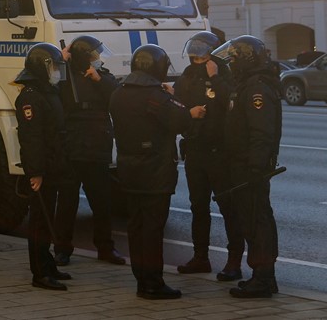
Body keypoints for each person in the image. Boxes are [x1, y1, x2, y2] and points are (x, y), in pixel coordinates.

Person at [109, 44, 205, 300]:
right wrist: (191, 111)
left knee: (136, 226)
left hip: (128, 168)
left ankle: (141, 279)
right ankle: (153, 283)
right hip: (154, 170)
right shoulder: (155, 96)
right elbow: (179, 120)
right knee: (152, 229)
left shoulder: (119, 93)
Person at [173, 31, 244, 281]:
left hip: (220, 152)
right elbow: (179, 103)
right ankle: (200, 257)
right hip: (195, 149)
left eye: (202, 57)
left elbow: (231, 104)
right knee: (198, 206)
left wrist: (215, 79)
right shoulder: (188, 75)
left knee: (228, 207)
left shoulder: (225, 75)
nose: (197, 61)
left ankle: (234, 260)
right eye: (194, 57)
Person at [53, 36, 125, 267]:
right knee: (66, 202)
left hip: (96, 147)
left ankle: (105, 248)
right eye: (93, 56)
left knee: (102, 203)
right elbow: (46, 84)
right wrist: (58, 61)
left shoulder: (103, 76)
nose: (97, 59)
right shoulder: (63, 76)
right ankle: (62, 249)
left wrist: (98, 80)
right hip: (72, 146)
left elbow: (117, 96)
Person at [223, 35, 282, 298]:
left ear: (247, 59)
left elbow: (261, 132)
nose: (231, 63)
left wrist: (255, 168)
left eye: (234, 58)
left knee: (258, 222)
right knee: (252, 221)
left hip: (250, 169)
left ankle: (263, 278)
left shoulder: (257, 89)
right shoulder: (247, 84)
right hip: (241, 166)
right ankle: (262, 276)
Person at [14, 43, 71, 291]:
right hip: (43, 168)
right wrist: (35, 172)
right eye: (54, 66)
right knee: (40, 220)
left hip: (54, 164)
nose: (57, 72)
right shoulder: (30, 97)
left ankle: (48, 264)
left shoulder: (48, 91)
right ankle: (40, 273)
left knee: (47, 218)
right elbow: (32, 138)